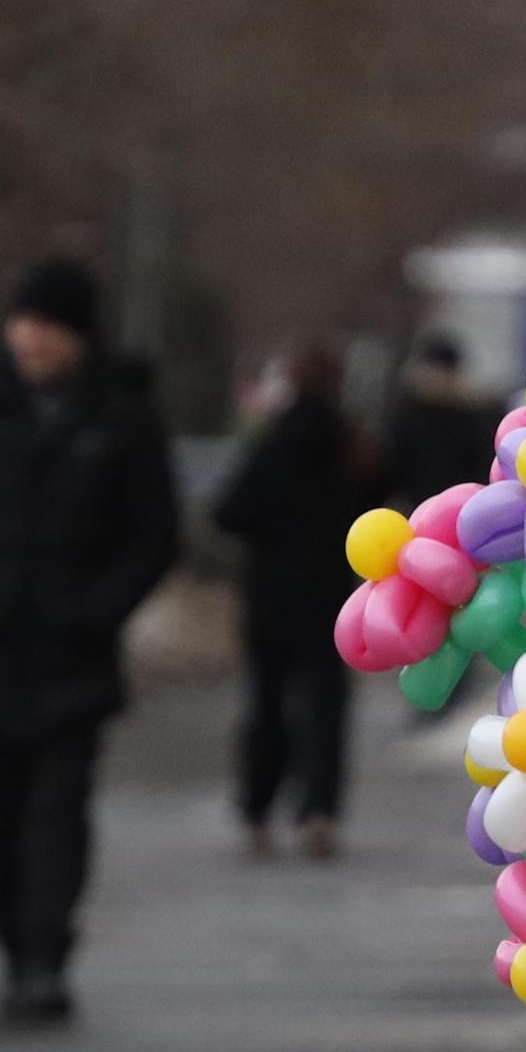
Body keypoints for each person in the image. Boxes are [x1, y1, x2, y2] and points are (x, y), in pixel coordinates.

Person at [0, 255, 180, 1027]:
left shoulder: (121, 415)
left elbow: (154, 533)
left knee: (58, 814)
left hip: (73, 659)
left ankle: (44, 958)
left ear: (80, 337)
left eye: (50, 327)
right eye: (25, 323)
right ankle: (11, 936)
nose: (33, 340)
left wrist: (101, 607)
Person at [208, 346, 370, 859]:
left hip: (271, 595)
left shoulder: (271, 444)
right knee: (326, 707)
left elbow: (228, 512)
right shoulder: (352, 446)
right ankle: (319, 809)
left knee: (268, 705)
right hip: (331, 597)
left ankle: (258, 808)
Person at [376, 332, 498, 510]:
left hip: (456, 507)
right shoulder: (407, 415)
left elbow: (479, 464)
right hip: (414, 507)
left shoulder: (469, 419)